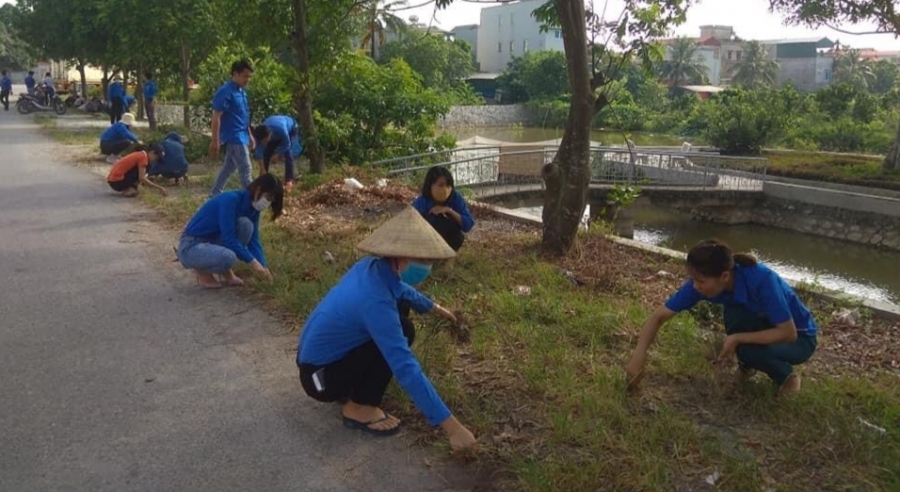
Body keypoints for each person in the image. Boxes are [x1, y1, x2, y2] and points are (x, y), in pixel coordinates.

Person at [296, 207, 478, 452]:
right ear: (400, 257)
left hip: (316, 362)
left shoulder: (371, 267)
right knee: (400, 334)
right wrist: (453, 428)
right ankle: (359, 407)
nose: (427, 267)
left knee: (401, 319)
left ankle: (352, 391)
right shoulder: (375, 301)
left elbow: (403, 291)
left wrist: (442, 311)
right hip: (320, 380)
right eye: (422, 260)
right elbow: (404, 366)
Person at [626, 239, 818, 397]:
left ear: (724, 276)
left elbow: (788, 333)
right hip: (765, 327)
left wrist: (737, 338)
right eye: (693, 279)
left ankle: (788, 378)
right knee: (735, 313)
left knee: (746, 347)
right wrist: (639, 354)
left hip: (800, 340)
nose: (695, 286)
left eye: (700, 281)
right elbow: (659, 317)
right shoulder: (704, 283)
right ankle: (747, 367)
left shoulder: (762, 281)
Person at [177, 174, 282, 289]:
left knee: (246, 226)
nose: (268, 203)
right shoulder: (230, 200)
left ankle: (224, 270)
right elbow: (228, 238)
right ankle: (202, 270)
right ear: (258, 190)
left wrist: (263, 266)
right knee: (228, 257)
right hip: (191, 245)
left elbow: (254, 240)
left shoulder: (253, 209)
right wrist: (253, 262)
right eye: (268, 198)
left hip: (212, 241)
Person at [209, 59, 256, 196]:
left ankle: (214, 195)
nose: (247, 80)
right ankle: (252, 200)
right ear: (235, 74)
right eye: (245, 76)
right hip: (234, 137)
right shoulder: (225, 92)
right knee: (246, 171)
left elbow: (243, 116)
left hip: (242, 135)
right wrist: (215, 140)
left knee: (228, 169)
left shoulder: (241, 91)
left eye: (249, 77)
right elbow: (216, 116)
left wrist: (250, 136)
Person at [411, 166, 475, 252]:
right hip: (427, 239)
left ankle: (449, 258)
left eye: (448, 185)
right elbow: (409, 220)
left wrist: (449, 210)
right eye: (441, 185)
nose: (445, 189)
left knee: (456, 234)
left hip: (450, 237)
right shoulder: (423, 201)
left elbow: (468, 225)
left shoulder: (455, 198)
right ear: (431, 185)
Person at [252, 115, 303, 191]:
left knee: (288, 153)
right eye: (263, 141)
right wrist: (262, 169)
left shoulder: (281, 130)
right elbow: (259, 153)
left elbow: (287, 144)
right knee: (266, 153)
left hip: (291, 128)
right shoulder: (261, 134)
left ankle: (289, 180)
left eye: (266, 140)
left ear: (269, 135)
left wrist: (278, 155)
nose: (265, 143)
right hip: (274, 133)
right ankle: (263, 177)